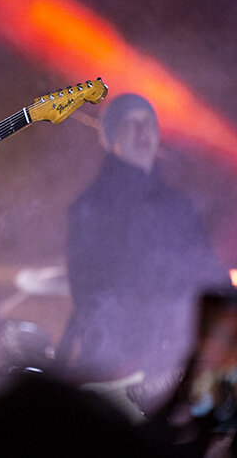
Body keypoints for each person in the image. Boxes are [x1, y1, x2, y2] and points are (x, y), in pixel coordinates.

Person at [59, 93, 229, 410]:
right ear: (111, 138)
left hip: (169, 362)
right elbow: (93, 292)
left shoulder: (177, 205)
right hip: (120, 367)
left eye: (148, 122)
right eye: (130, 123)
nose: (142, 132)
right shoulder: (92, 206)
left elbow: (206, 270)